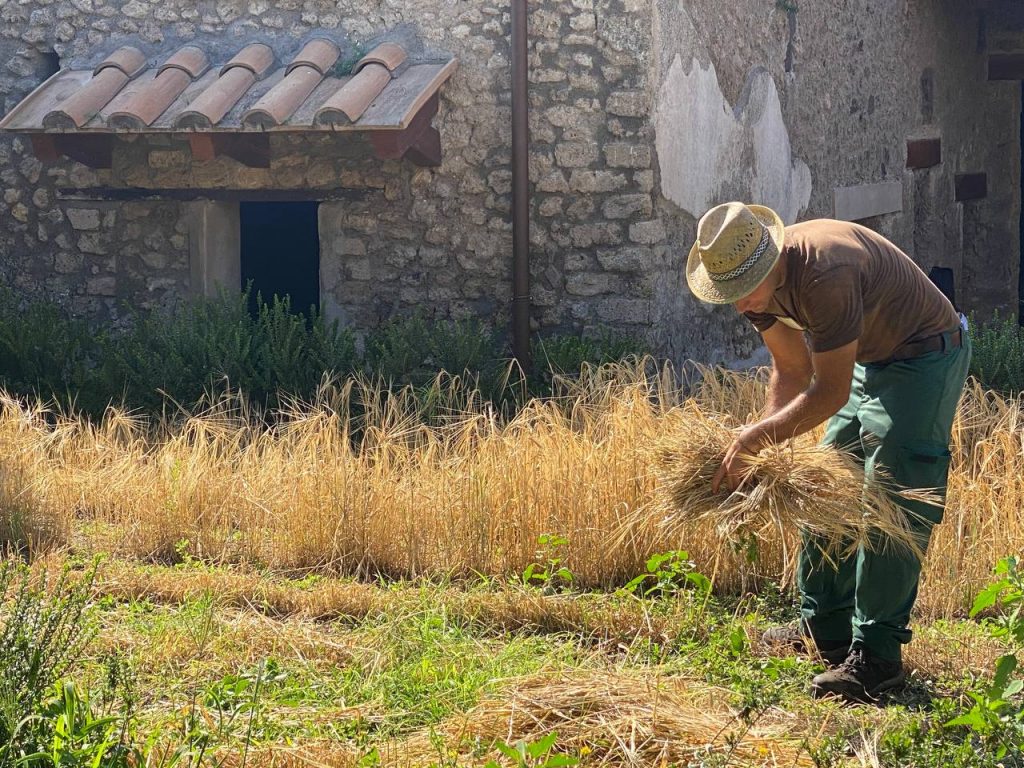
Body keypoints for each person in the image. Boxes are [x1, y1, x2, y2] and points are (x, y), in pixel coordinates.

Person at [685, 201, 971, 703]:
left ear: (769, 263)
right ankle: (825, 632)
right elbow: (792, 371)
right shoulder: (754, 285)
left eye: (739, 293)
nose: (738, 307)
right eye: (726, 295)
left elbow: (830, 392)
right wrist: (765, 444)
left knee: (891, 501)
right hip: (866, 359)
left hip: (924, 354)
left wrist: (756, 439)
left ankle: (878, 657)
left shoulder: (824, 271)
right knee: (825, 484)